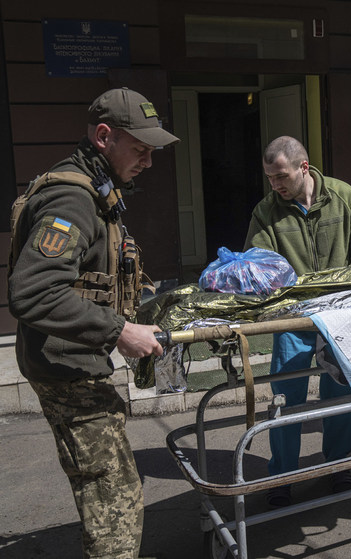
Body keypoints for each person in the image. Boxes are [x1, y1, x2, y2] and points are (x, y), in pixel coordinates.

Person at [8, 87, 178, 558]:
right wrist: (119, 332)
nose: (148, 161)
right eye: (140, 149)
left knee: (112, 491)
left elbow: (89, 278)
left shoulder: (94, 187)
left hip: (75, 364)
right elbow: (33, 290)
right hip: (66, 372)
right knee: (114, 506)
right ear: (104, 136)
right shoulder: (71, 199)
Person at [243, 135, 351, 508]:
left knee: (340, 392)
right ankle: (283, 476)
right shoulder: (266, 211)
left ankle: (338, 465)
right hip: (293, 320)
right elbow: (257, 264)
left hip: (340, 315)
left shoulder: (344, 196)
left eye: (281, 176)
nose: (275, 185)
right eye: (270, 178)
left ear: (304, 168)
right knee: (286, 397)